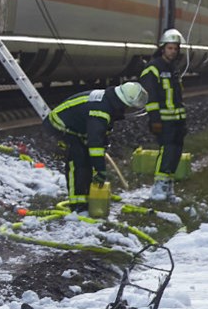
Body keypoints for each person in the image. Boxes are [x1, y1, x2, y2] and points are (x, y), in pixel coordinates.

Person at [45, 81, 149, 212]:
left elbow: (98, 132)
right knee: (78, 162)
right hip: (60, 127)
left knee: (86, 161)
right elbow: (95, 144)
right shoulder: (101, 110)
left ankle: (86, 198)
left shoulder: (108, 100)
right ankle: (77, 205)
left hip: (76, 129)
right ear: (122, 103)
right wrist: (100, 170)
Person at [139, 29, 188, 201]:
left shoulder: (173, 69)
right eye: (170, 48)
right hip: (163, 121)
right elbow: (150, 96)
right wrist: (155, 119)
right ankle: (158, 187)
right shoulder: (153, 69)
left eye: (175, 49)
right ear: (162, 49)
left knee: (176, 153)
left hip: (177, 120)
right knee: (166, 152)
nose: (173, 52)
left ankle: (169, 188)